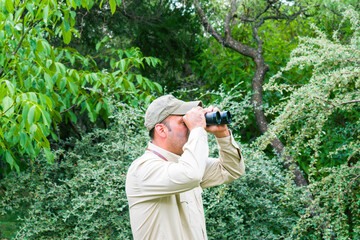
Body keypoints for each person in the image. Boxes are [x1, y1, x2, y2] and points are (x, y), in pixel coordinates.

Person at [125, 95, 245, 240]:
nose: (190, 127)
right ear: (161, 130)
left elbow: (232, 170)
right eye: (184, 122)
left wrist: (222, 134)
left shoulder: (185, 163)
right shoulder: (142, 169)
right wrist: (197, 129)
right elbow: (191, 174)